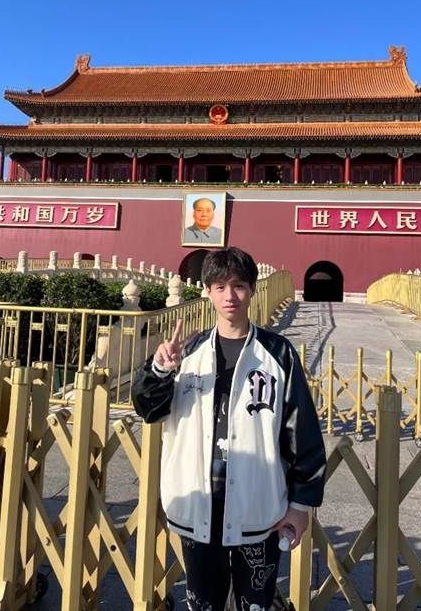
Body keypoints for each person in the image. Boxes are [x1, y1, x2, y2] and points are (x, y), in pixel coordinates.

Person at [132, 247, 326, 611]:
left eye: (238, 285)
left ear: (252, 289)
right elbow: (148, 410)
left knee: (256, 603)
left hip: (258, 508)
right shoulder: (187, 352)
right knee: (203, 603)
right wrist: (158, 371)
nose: (229, 295)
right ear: (207, 292)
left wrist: (301, 505)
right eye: (219, 287)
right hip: (198, 504)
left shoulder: (278, 353)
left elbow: (302, 432)